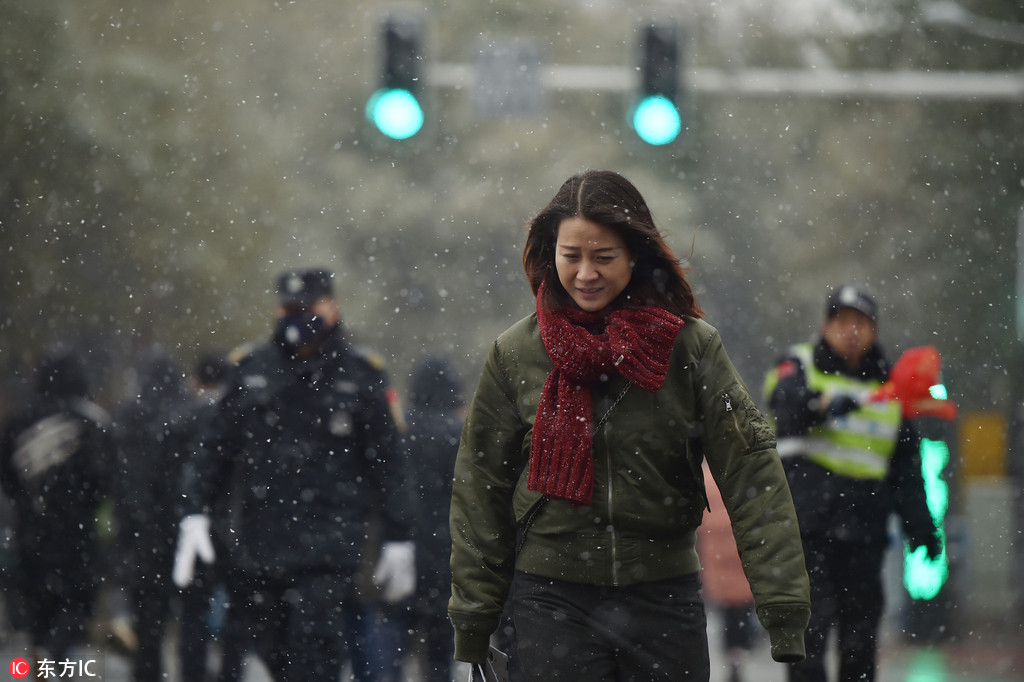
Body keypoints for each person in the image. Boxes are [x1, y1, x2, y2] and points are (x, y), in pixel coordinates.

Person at [448, 170, 811, 681]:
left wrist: (783, 607)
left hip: (664, 598)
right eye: (571, 256)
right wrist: (473, 618)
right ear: (550, 254)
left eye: (604, 257)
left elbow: (752, 473)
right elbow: (480, 489)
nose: (585, 274)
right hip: (550, 601)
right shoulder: (514, 354)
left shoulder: (691, 348)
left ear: (636, 255)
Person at [172, 268, 417, 682]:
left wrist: (399, 534)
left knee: (315, 649)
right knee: (272, 650)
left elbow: (389, 462)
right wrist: (193, 510)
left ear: (332, 308)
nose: (297, 316)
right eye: (288, 308)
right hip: (262, 544)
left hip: (330, 544)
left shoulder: (360, 374)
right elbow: (213, 449)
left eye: (308, 307)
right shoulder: (251, 369)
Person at [762, 285, 942, 682]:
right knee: (808, 638)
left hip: (864, 532)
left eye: (860, 322)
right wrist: (823, 404)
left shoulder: (893, 387)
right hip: (806, 531)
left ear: (874, 330)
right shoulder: (798, 363)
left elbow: (906, 471)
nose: (851, 331)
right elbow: (787, 407)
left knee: (860, 643)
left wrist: (921, 528)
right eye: (842, 321)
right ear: (825, 326)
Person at [0, 347, 113, 667]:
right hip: (77, 534)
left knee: (39, 604)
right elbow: (104, 480)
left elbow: (7, 478)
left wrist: (28, 504)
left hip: (30, 530)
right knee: (77, 602)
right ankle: (52, 653)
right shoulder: (92, 421)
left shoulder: (18, 421)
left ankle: (42, 655)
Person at [112, 349, 194, 682]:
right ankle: (191, 669)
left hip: (140, 527)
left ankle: (147, 668)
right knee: (191, 609)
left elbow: (122, 475)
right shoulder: (185, 414)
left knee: (147, 609)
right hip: (179, 526)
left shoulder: (129, 416)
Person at [696, 462, 757, 682]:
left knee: (728, 613)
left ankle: (733, 654)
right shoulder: (745, 475)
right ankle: (740, 652)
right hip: (742, 553)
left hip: (717, 557)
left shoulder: (704, 478)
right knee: (743, 610)